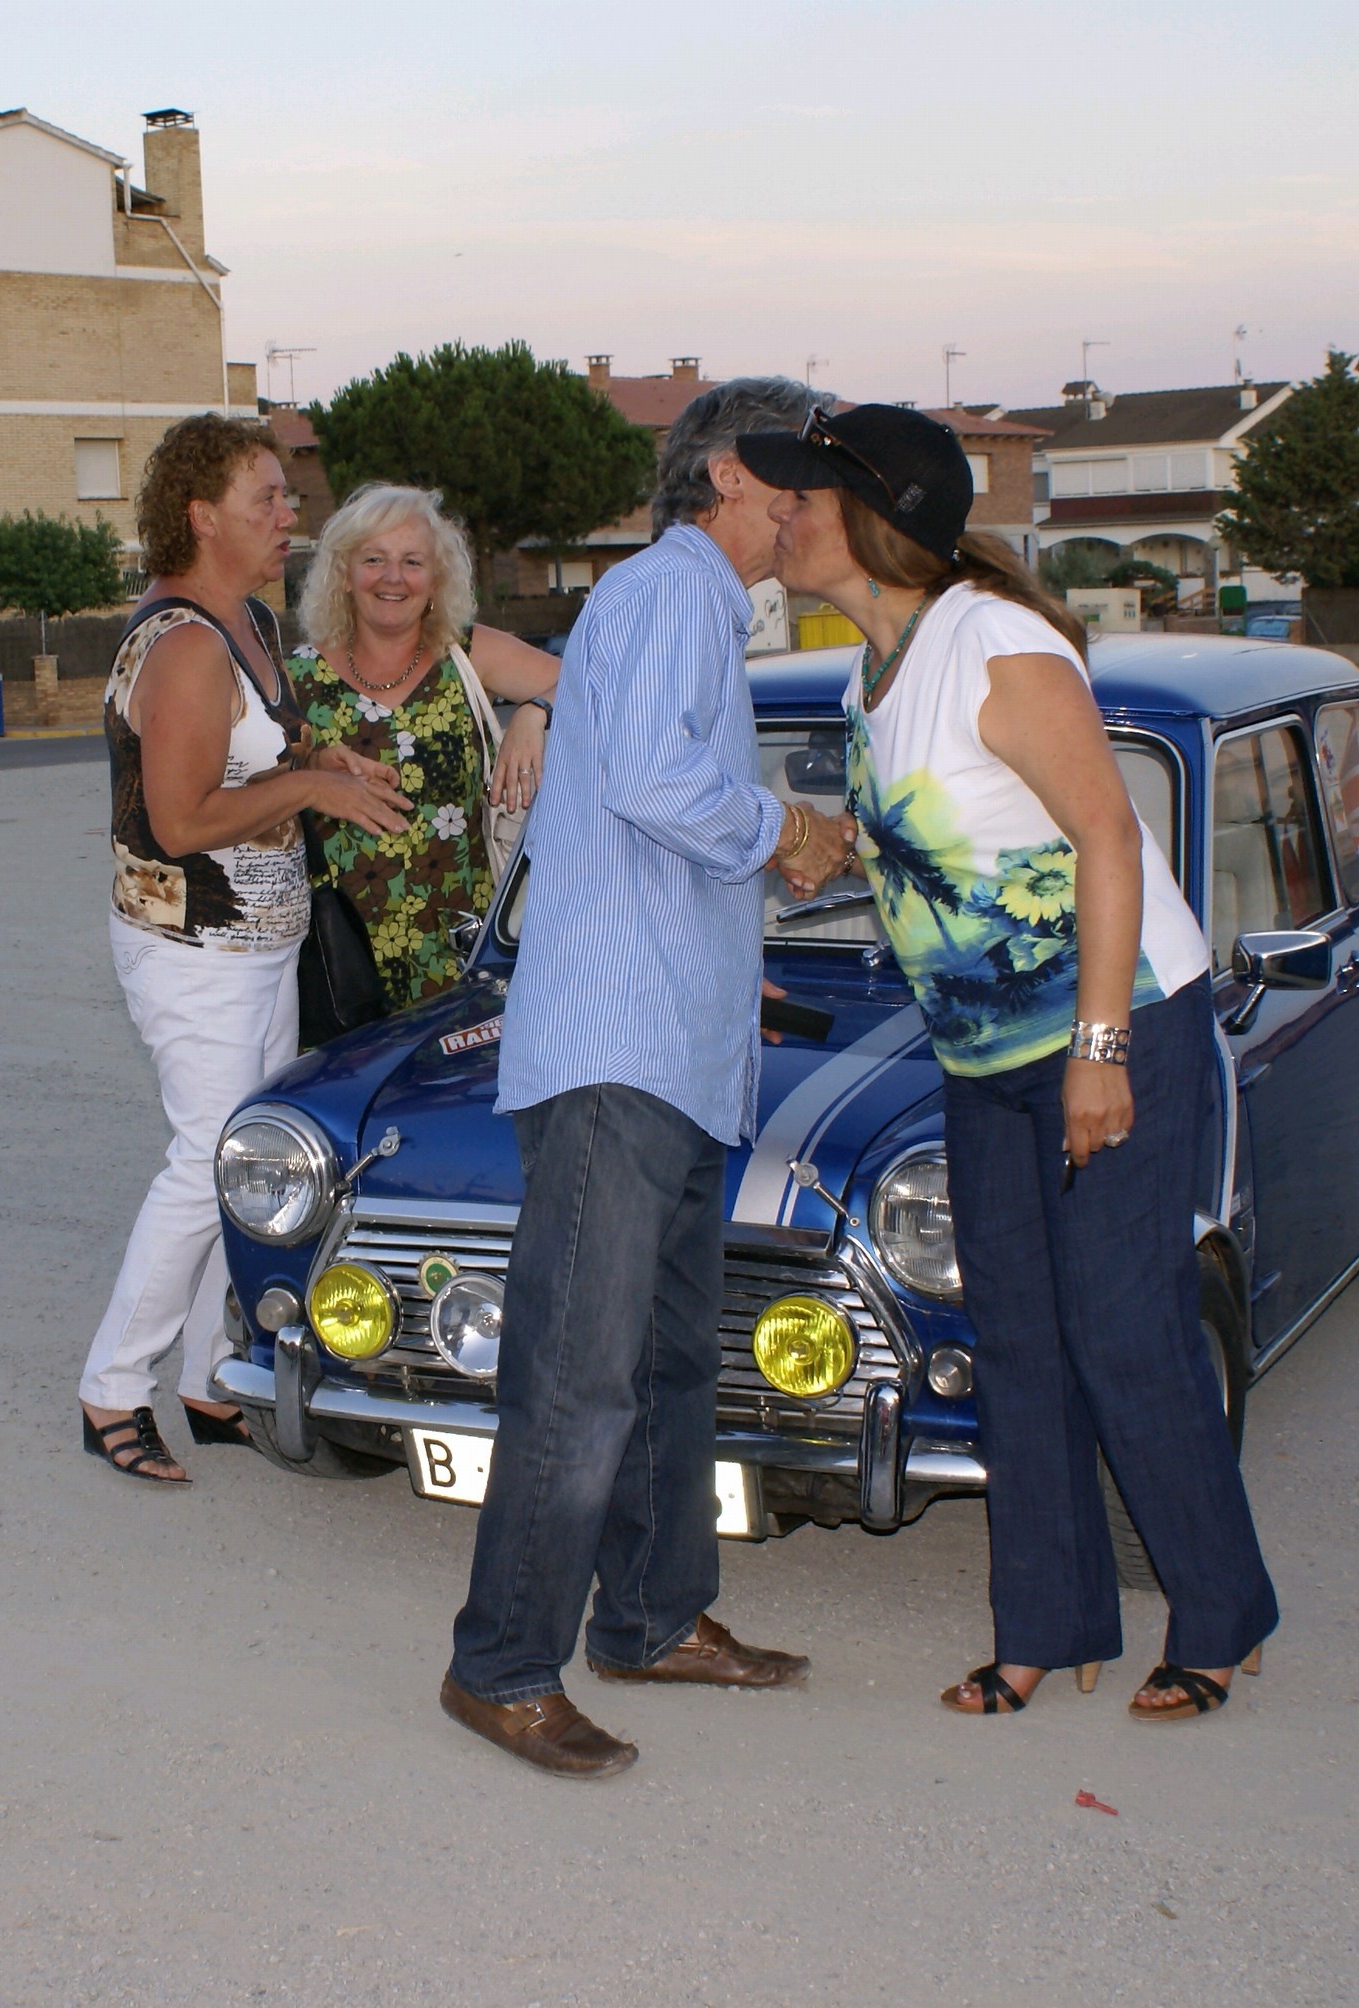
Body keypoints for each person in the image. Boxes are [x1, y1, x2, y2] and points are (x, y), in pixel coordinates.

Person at [744, 402, 1279, 1723]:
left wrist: (1101, 1051)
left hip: (1117, 1024)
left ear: (876, 520)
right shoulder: (873, 672)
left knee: (1126, 1330)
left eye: (802, 498)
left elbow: (1108, 836)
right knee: (1021, 1342)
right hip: (985, 1052)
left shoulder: (994, 641)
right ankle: (1048, 1624)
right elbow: (958, 840)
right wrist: (832, 847)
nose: (781, 518)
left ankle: (1221, 1615)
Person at [441, 379, 852, 1779]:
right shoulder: (671, 592)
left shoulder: (690, 609)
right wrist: (787, 828)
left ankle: (655, 1615)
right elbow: (661, 787)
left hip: (669, 1054)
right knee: (580, 1372)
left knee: (670, 1361)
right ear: (730, 475)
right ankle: (502, 1666)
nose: (812, 504)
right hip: (618, 1054)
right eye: (798, 474)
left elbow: (644, 814)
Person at [80, 414, 412, 1484]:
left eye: (286, 494)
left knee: (252, 1160)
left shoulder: (250, 622)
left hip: (264, 943)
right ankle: (113, 1387)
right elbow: (178, 821)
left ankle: (210, 1375)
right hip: (193, 948)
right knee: (203, 1163)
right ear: (200, 516)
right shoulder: (182, 646)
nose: (288, 513)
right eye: (265, 497)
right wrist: (312, 786)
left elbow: (266, 740)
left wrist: (328, 758)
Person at [288, 484, 563, 1015]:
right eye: (374, 559)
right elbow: (252, 784)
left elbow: (596, 683)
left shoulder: (467, 654)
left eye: (412, 561)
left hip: (465, 948)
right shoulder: (296, 679)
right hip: (342, 958)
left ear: (435, 579)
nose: (393, 577)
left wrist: (536, 712)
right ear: (344, 574)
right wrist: (312, 769)